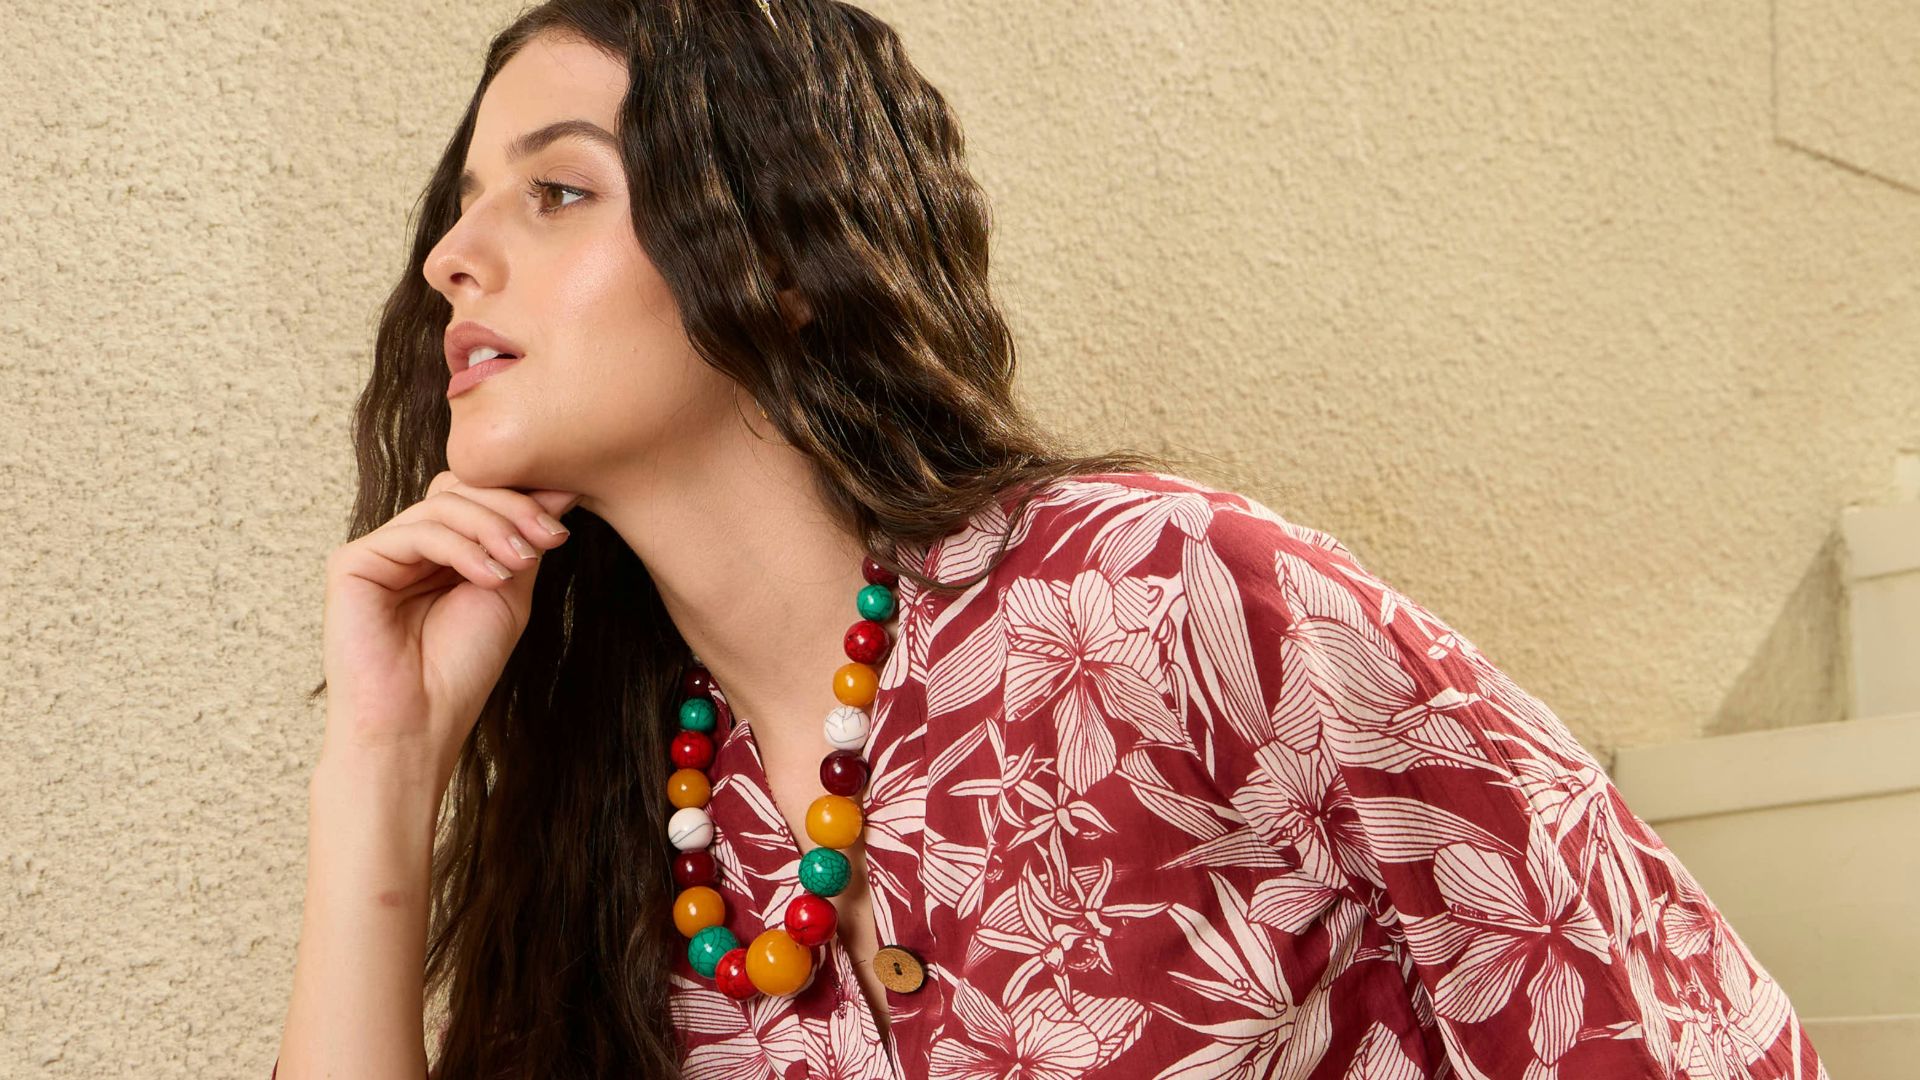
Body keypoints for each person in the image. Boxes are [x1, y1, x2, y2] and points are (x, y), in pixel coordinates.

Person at [270, 1, 1830, 1078]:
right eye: (462, 213)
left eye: (554, 192)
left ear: (784, 255)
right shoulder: (645, 803)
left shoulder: (1164, 603)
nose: (452, 262)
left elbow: (1675, 1028)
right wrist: (385, 758)